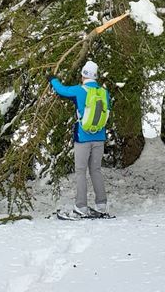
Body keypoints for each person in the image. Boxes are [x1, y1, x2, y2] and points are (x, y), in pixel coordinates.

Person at [49, 60, 110, 217]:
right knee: (96, 170)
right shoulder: (104, 92)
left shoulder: (79, 90)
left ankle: (81, 207)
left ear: (83, 75)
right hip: (100, 137)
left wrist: (52, 79)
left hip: (82, 137)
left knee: (81, 171)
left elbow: (61, 90)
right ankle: (101, 205)